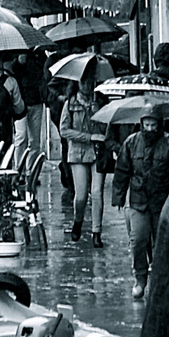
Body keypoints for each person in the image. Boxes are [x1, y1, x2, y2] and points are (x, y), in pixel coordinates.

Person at [111, 106, 169, 300]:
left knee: (161, 243)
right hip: (138, 200)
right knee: (137, 240)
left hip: (162, 202)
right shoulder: (131, 143)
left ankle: (160, 280)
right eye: (147, 125)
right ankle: (140, 278)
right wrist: (118, 196)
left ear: (159, 125)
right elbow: (122, 170)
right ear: (141, 124)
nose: (150, 129)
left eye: (154, 125)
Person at [58, 75, 107, 245]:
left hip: (97, 152)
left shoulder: (100, 102)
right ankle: (78, 221)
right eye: (83, 82)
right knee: (81, 195)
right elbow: (64, 131)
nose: (87, 85)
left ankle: (96, 232)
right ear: (77, 83)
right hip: (78, 152)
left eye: (89, 82)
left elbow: (107, 126)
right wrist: (88, 137)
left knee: (97, 192)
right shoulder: (70, 104)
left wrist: (97, 115)